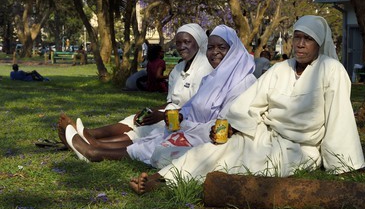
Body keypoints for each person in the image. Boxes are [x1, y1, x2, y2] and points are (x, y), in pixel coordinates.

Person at [130, 15, 365, 194]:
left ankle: (185, 183)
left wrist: (342, 163)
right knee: (216, 149)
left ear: (319, 43)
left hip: (299, 147)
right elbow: (251, 102)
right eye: (297, 38)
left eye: (308, 39)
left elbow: (339, 119)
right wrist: (232, 126)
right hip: (263, 134)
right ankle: (163, 179)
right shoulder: (280, 69)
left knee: (247, 163)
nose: (301, 44)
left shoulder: (331, 70)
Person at [63, 25, 256, 165]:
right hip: (189, 126)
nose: (214, 52)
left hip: (210, 137)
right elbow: (190, 107)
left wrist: (183, 121)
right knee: (156, 137)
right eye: (211, 47)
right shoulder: (213, 78)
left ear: (234, 50)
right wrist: (181, 116)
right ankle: (96, 146)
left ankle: (94, 151)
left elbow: (231, 122)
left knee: (159, 143)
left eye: (221, 47)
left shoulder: (244, 82)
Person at [57, 23, 213, 150]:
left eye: (187, 42)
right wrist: (153, 110)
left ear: (199, 42)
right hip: (170, 112)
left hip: (189, 120)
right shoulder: (178, 69)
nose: (181, 47)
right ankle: (87, 134)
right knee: (135, 119)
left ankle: (96, 145)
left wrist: (161, 116)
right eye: (178, 43)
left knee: (148, 129)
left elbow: (198, 110)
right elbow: (171, 101)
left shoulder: (207, 70)